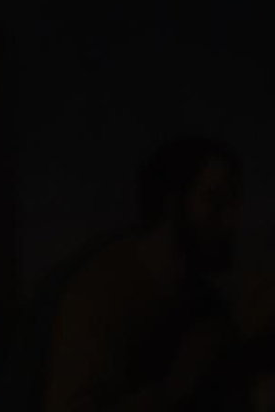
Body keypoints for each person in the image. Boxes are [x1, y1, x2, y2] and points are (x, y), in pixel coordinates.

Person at [45, 140, 245, 412]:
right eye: (215, 201)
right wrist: (174, 389)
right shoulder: (101, 295)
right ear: (173, 204)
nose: (231, 220)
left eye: (233, 202)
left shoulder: (206, 306)